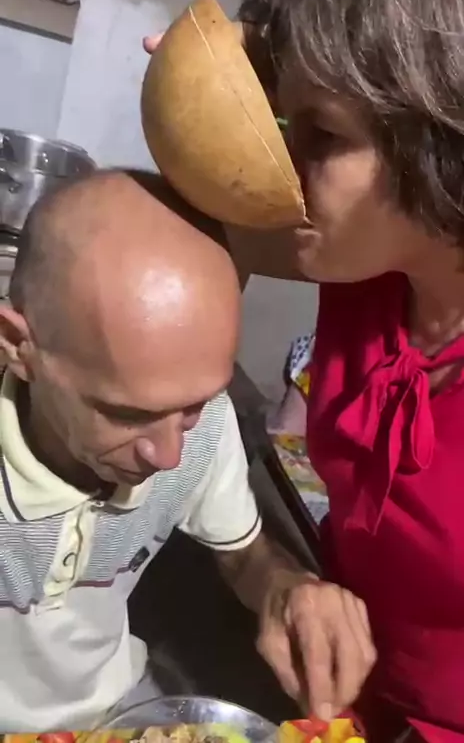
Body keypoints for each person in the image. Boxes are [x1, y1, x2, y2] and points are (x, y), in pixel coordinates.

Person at [144, 0, 464, 740]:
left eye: (320, 135)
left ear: (441, 149)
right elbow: (164, 225)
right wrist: (217, 84)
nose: (283, 163)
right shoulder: (362, 263)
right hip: (337, 701)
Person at [0, 168, 374, 732]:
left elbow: (244, 556)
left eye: (194, 405)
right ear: (18, 347)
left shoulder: (203, 431)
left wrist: (286, 588)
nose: (169, 455)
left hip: (118, 708)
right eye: (128, 414)